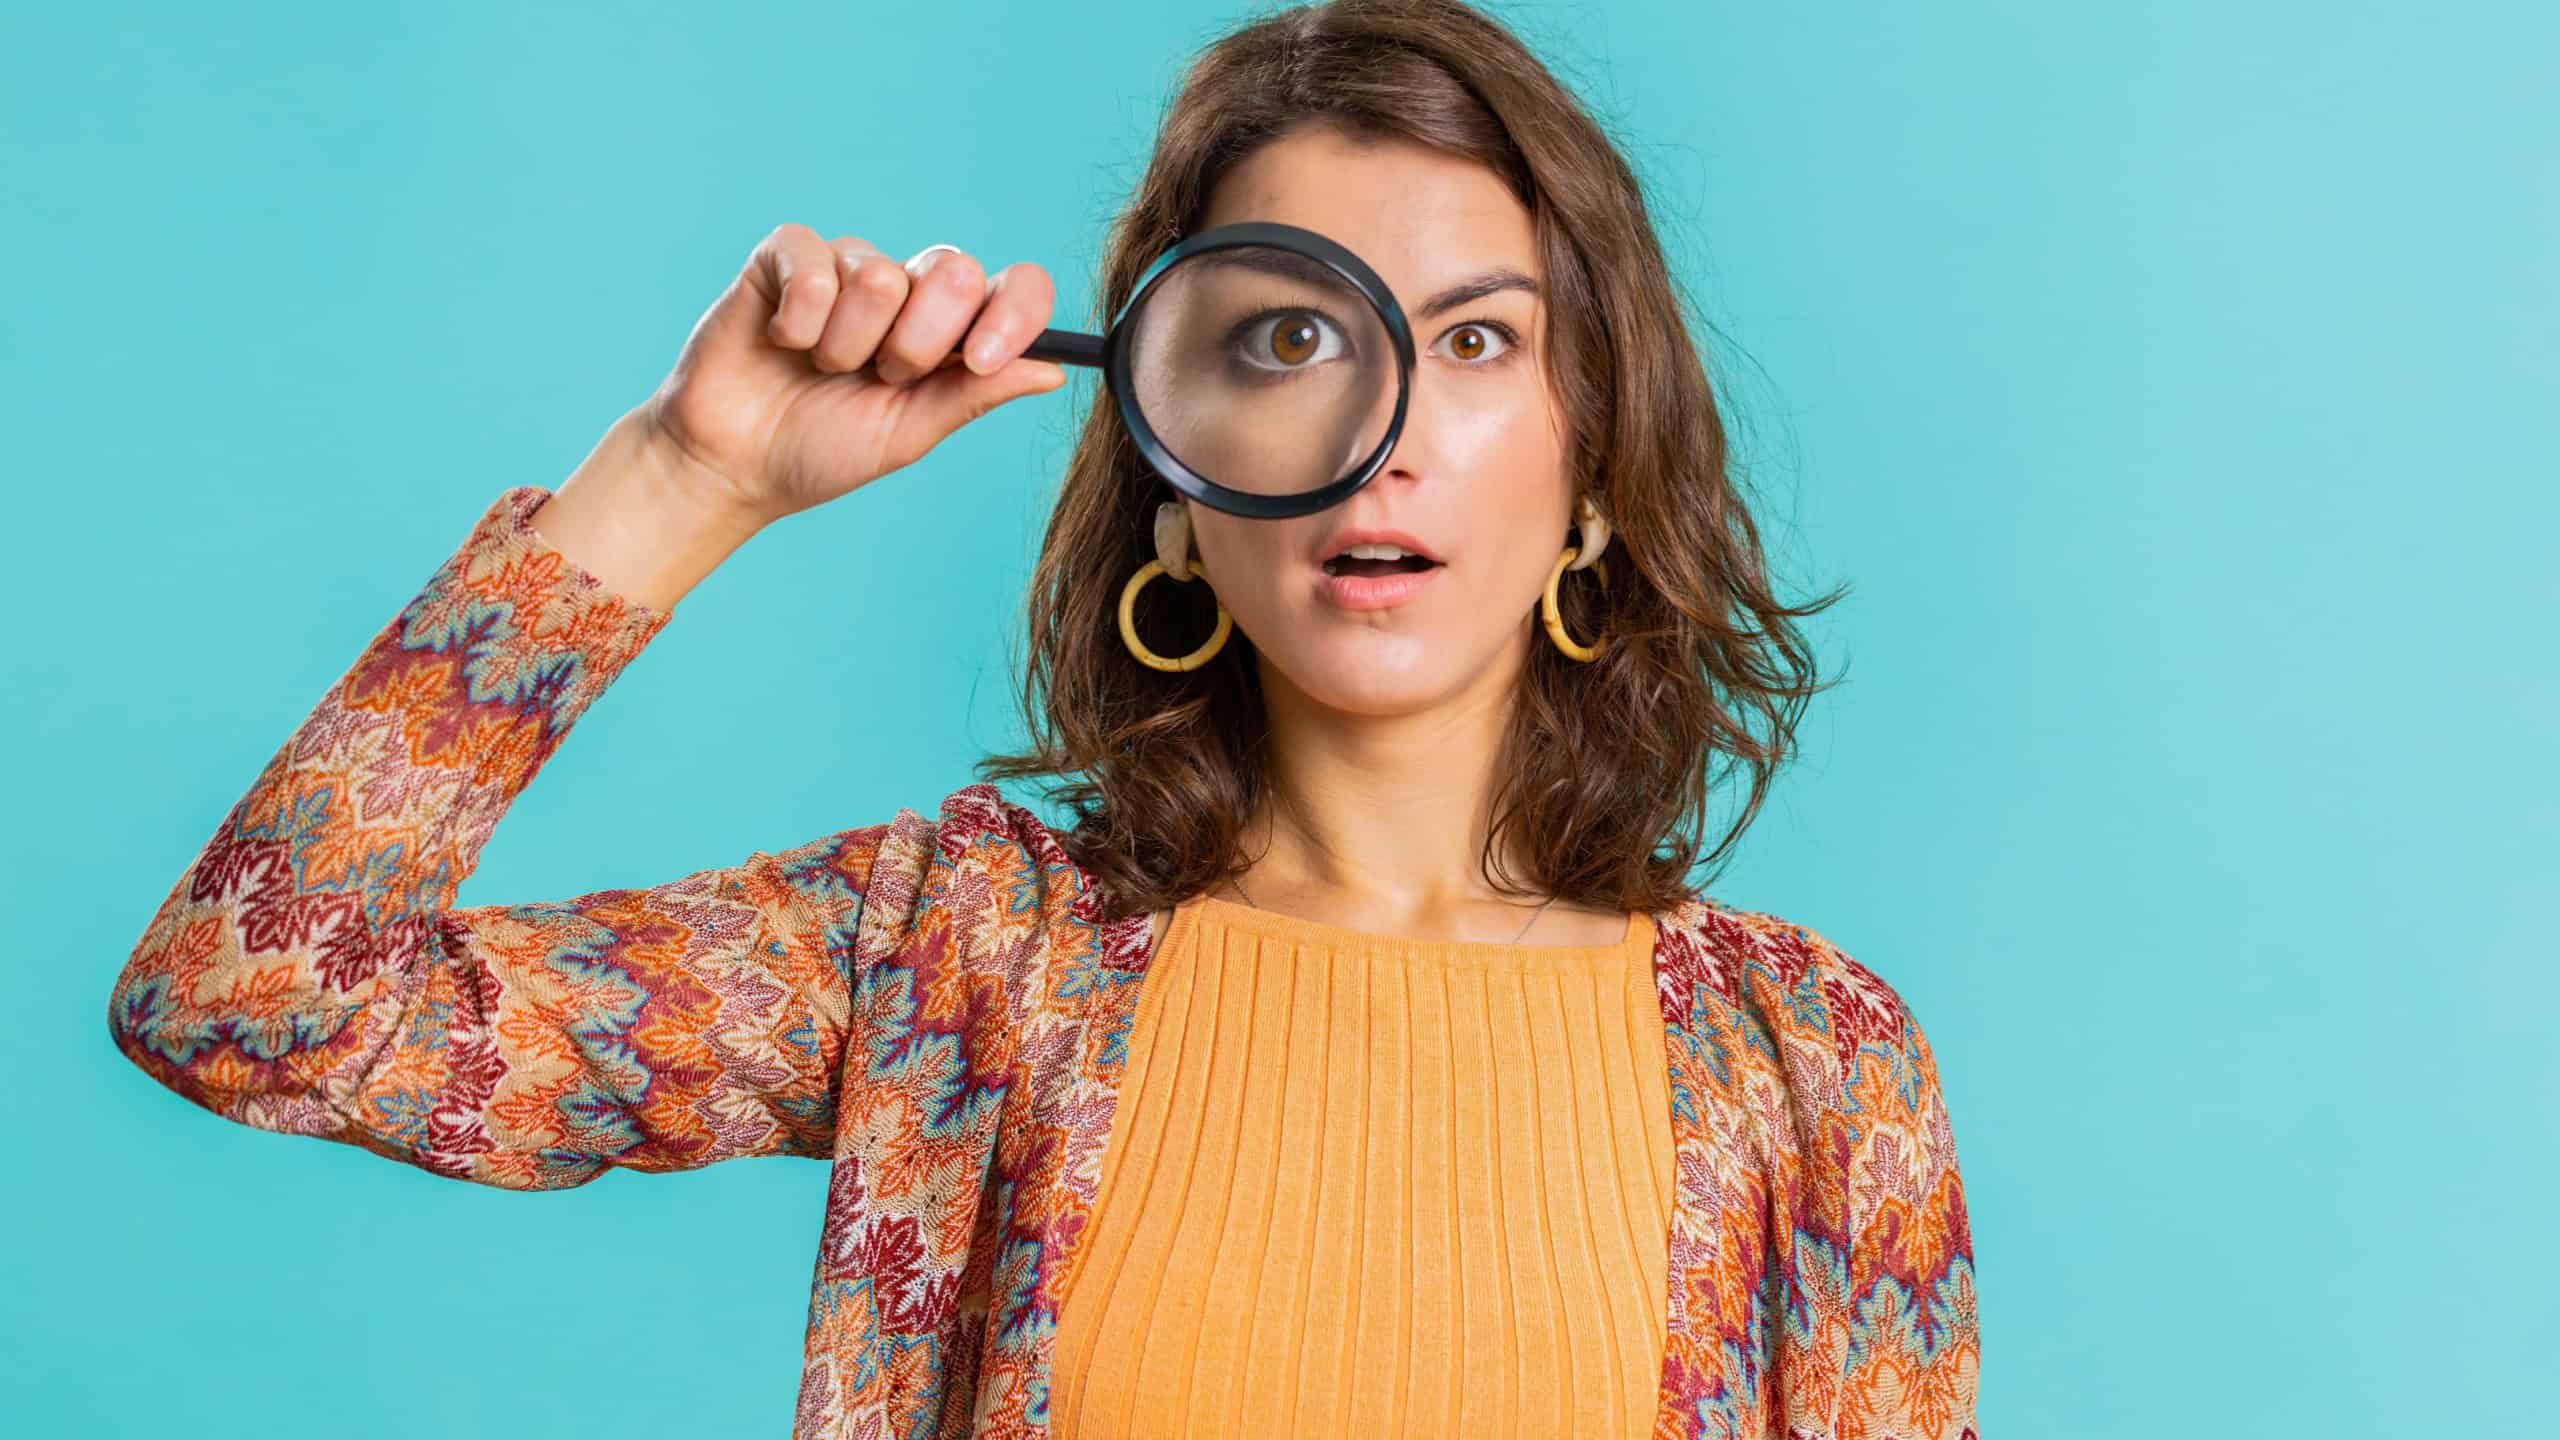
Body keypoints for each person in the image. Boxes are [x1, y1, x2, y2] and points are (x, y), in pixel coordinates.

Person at [103, 1, 1980, 1436]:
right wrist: (688, 475)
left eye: (1477, 340)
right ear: (1171, 461)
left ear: (1595, 468)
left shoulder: (1812, 1067)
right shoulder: (958, 949)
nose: (1381, 434)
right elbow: (256, 1010)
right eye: (1286, 339)